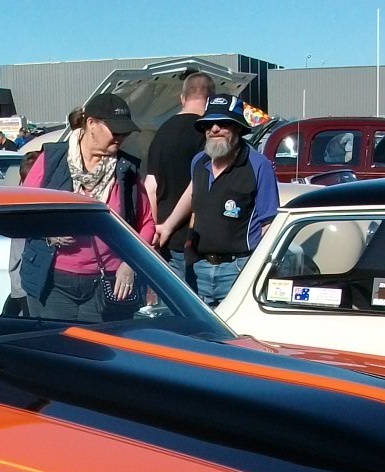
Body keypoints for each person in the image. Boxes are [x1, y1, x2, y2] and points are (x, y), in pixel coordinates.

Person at [21, 92, 155, 322]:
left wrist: (130, 264)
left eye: (125, 132)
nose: (121, 137)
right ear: (91, 124)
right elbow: (22, 212)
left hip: (108, 285)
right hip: (52, 284)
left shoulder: (126, 169)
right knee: (57, 342)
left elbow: (147, 223)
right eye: (115, 130)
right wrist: (49, 233)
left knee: (99, 345)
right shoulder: (52, 159)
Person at [154, 94, 279, 306]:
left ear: (238, 128)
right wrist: (168, 227)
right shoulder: (198, 162)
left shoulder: (258, 165)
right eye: (208, 125)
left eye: (223, 124)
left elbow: (269, 224)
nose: (214, 129)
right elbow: (193, 198)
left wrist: (256, 268)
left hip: (238, 269)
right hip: (199, 269)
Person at [145, 71, 212, 283]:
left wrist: (154, 230)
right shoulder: (207, 132)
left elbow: (151, 186)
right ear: (210, 100)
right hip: (193, 242)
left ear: (182, 98)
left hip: (164, 240)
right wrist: (170, 226)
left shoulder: (162, 132)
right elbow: (197, 185)